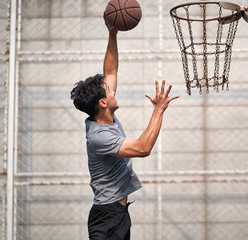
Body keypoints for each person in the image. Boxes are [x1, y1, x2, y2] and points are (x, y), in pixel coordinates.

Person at [70, 24, 179, 239]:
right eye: (109, 91)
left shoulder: (104, 115)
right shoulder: (99, 137)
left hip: (117, 212)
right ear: (103, 102)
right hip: (107, 217)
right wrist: (158, 110)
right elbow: (143, 148)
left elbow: (110, 71)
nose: (113, 90)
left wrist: (112, 33)